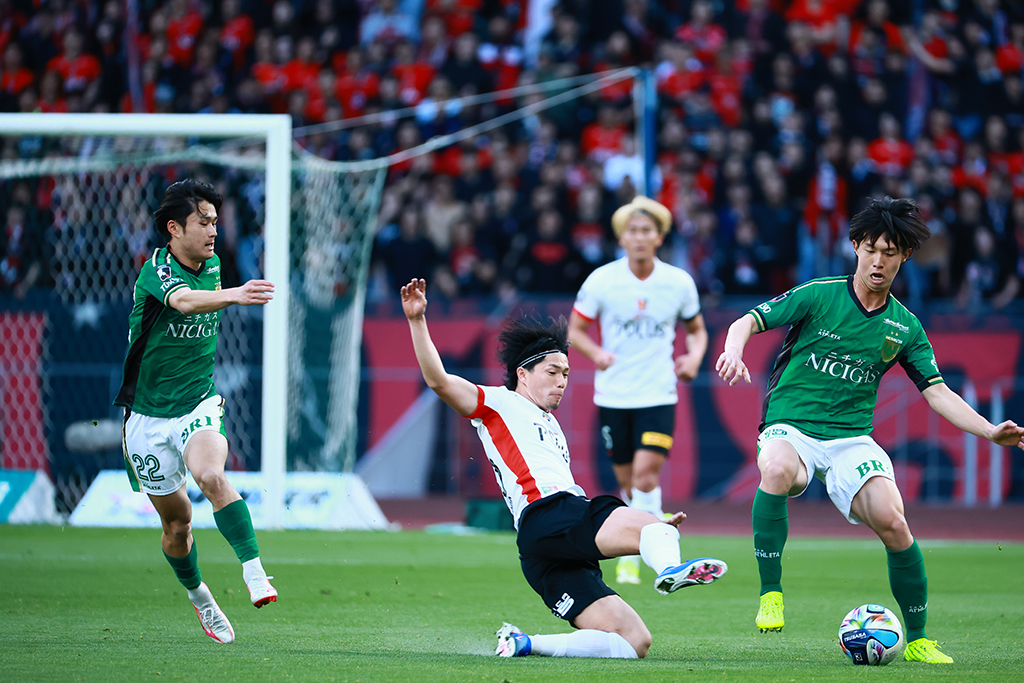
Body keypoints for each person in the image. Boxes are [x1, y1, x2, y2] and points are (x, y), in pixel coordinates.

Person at [715, 196, 1024, 664]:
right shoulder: (819, 294)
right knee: (776, 470)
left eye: (890, 253)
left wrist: (988, 431)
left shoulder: (905, 326)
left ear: (905, 257)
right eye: (872, 249)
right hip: (791, 426)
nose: (879, 261)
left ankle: (918, 640)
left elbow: (937, 392)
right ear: (856, 246)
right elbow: (748, 321)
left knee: (895, 523)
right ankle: (771, 594)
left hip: (851, 440)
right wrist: (733, 350)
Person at [400, 278, 726, 659]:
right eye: (552, 372)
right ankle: (669, 566)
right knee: (654, 527)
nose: (561, 382)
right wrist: (417, 320)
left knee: (634, 641)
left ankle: (523, 643)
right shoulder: (498, 403)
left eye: (566, 374)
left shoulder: (552, 425)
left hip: (541, 550)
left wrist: (646, 532)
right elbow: (439, 381)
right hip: (550, 514)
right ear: (523, 374)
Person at [114, 179, 279, 644]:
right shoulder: (156, 270)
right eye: (203, 222)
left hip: (197, 402)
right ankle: (201, 597)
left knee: (210, 475)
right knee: (177, 525)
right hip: (146, 418)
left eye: (215, 222)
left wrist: (230, 290)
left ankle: (254, 572)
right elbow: (184, 302)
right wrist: (235, 294)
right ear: (174, 228)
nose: (213, 231)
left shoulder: (214, 263)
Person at [568, 196, 708, 585]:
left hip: (658, 394)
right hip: (613, 396)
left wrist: (694, 358)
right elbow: (576, 330)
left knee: (646, 477)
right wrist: (596, 353)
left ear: (659, 237)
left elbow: (697, 330)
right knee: (630, 484)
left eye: (647, 230)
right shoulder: (602, 280)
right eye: (633, 231)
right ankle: (641, 546)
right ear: (622, 238)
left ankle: (648, 557)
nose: (640, 237)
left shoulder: (678, 282)